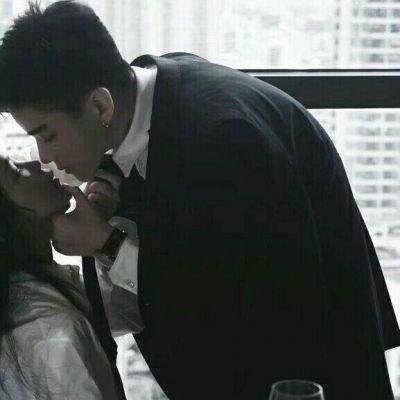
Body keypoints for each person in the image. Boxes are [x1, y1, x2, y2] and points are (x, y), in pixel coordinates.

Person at [0, 1, 399, 399]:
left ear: (100, 105)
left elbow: (244, 297)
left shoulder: (225, 141)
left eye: (48, 135)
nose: (44, 157)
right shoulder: (150, 95)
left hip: (305, 379)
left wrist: (107, 243)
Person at [0, 156, 121, 400]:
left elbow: (120, 315)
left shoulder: (26, 293)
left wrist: (101, 236)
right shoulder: (52, 329)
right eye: (15, 173)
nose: (35, 163)